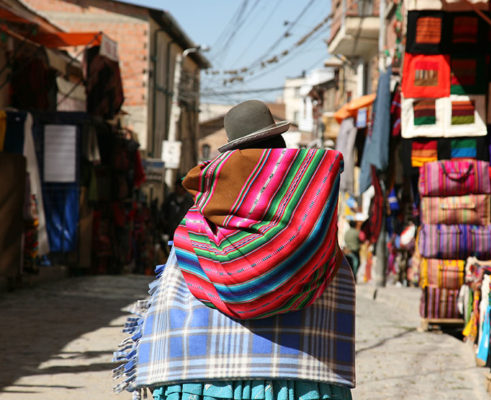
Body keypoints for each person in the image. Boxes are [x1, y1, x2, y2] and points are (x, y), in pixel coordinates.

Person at [114, 100, 355, 400]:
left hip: (202, 375)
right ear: (282, 149)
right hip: (304, 374)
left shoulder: (198, 224)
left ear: (231, 155)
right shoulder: (316, 218)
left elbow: (168, 303)